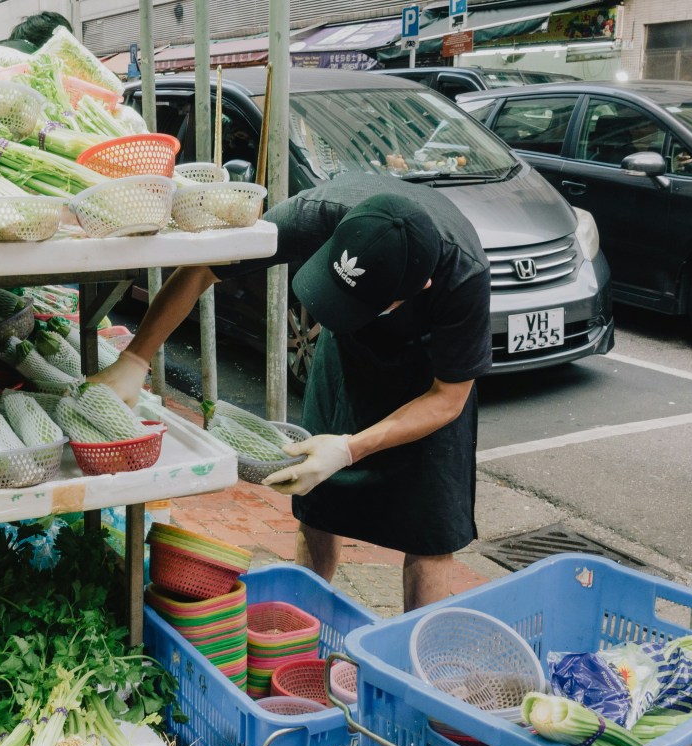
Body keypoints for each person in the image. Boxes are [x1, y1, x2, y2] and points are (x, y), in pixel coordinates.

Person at [90, 173, 492, 610]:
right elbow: (205, 267)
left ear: (421, 289)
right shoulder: (315, 214)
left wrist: (349, 449)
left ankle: (409, 655)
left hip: (427, 378)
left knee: (429, 526)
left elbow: (448, 397)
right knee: (319, 502)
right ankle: (303, 620)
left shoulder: (462, 275)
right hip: (348, 357)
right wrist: (136, 357)